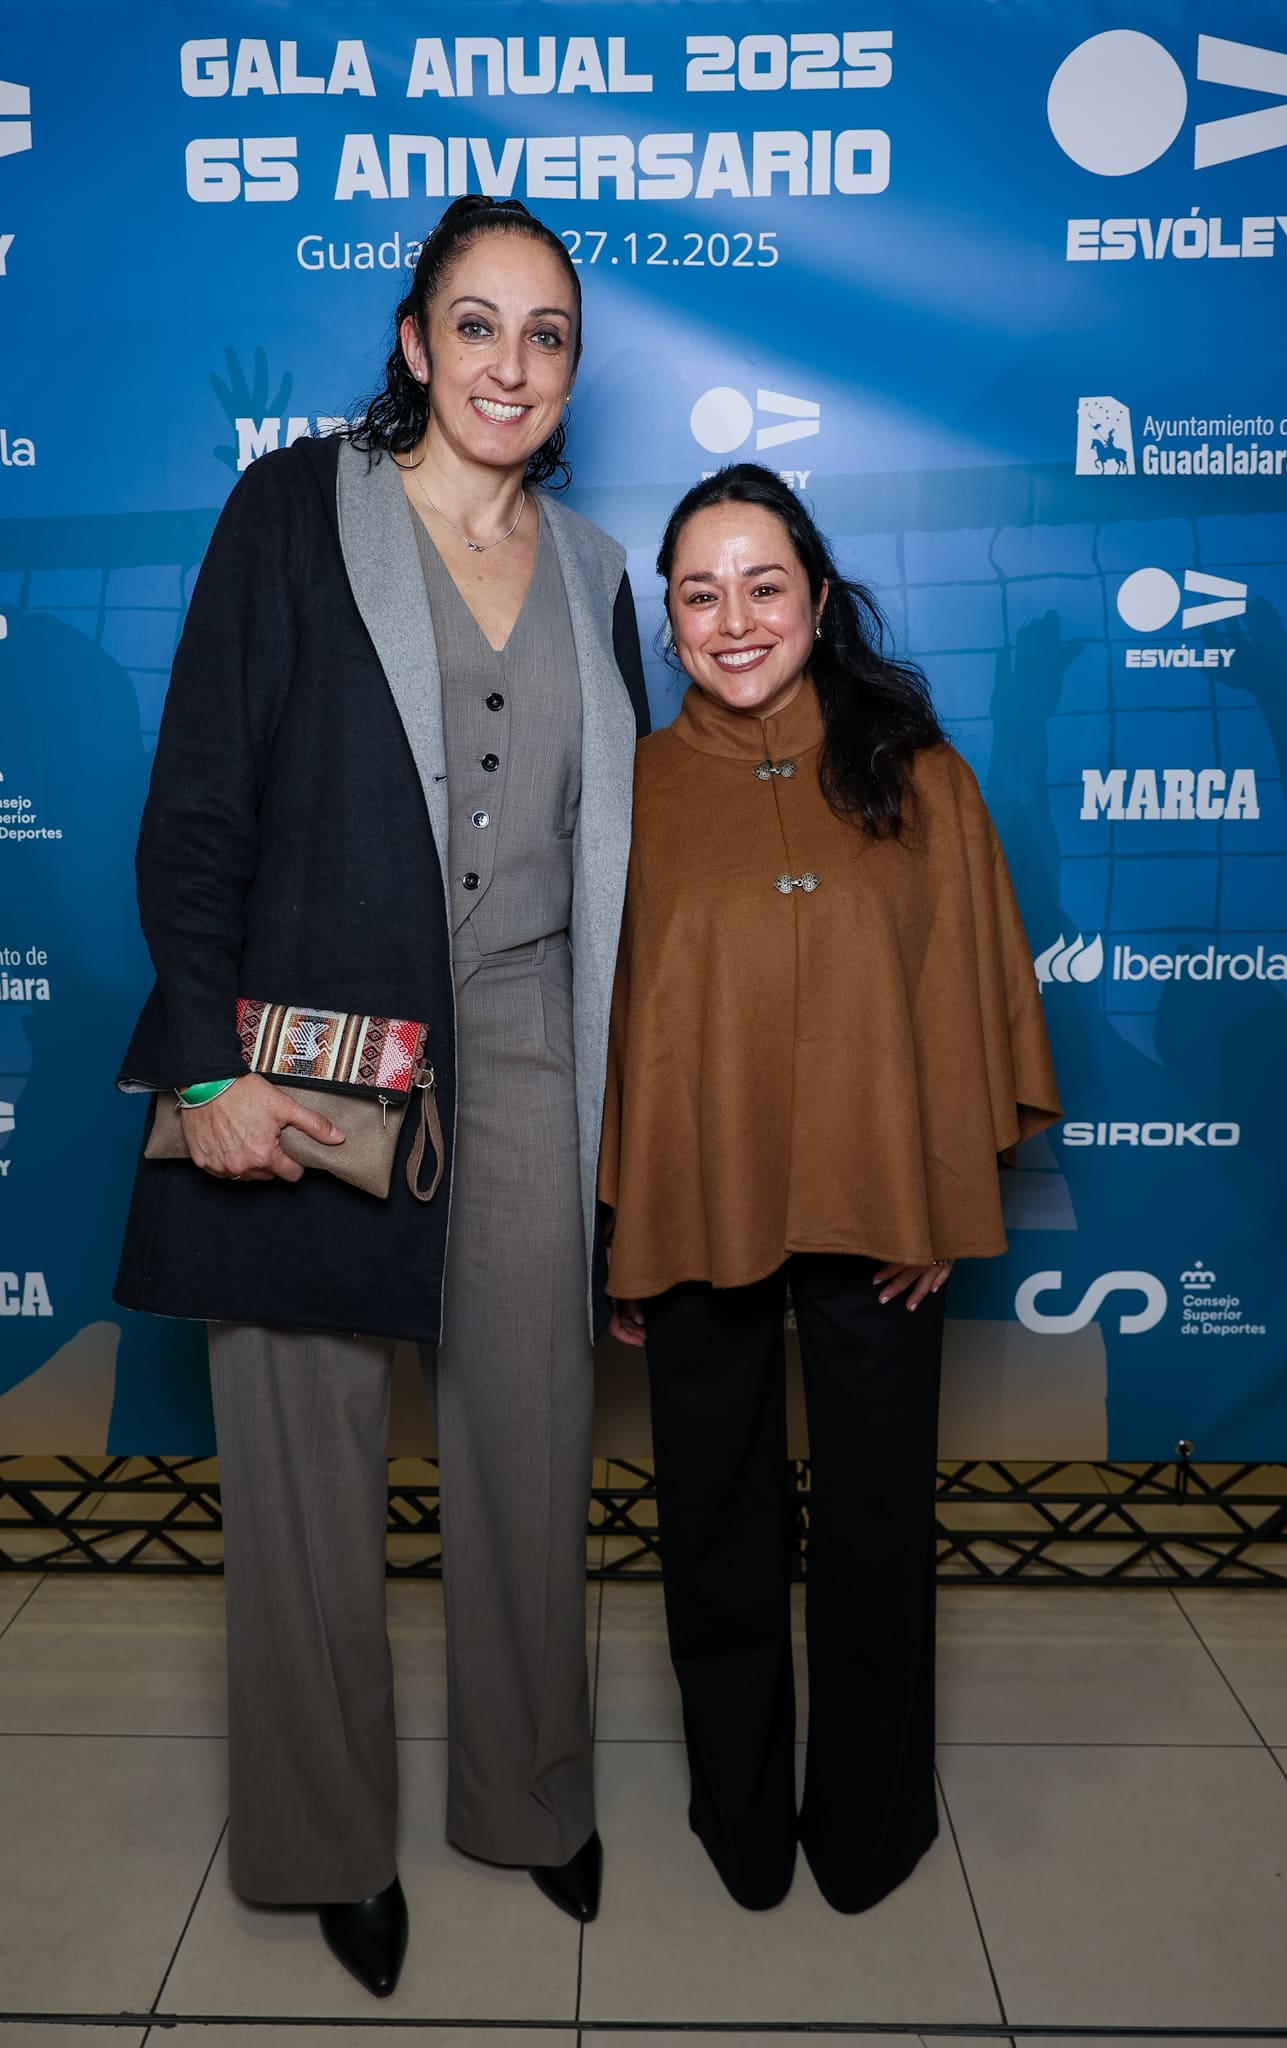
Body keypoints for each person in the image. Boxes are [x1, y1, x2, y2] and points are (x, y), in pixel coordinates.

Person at [114, 196, 648, 1996]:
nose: (510, 363)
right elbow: (195, 807)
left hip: (529, 1050)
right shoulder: (291, 512)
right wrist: (206, 1065)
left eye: (547, 335)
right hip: (309, 1060)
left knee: (528, 1446)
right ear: (414, 343)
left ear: (571, 373)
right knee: (297, 1468)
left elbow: (620, 866)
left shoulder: (597, 572)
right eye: (475, 324)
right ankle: (324, 1842)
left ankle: (528, 1798)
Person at [600, 464, 1059, 1916]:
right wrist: (620, 1226)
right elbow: (603, 1024)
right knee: (713, 1528)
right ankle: (738, 1816)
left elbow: (967, 997)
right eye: (700, 594)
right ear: (668, 621)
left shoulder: (921, 775)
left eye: (763, 585)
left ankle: (870, 1826)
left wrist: (942, 1195)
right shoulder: (626, 793)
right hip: (696, 1212)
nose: (734, 620)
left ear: (816, 598)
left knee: (876, 1533)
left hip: (884, 1218)